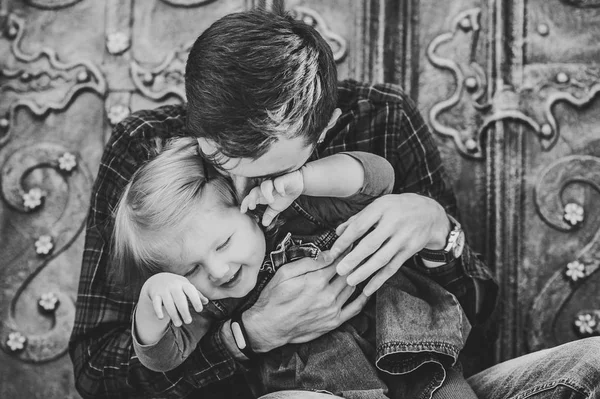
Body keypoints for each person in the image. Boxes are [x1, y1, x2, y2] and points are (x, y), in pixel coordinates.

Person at [68, 7, 600, 399]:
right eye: (223, 162)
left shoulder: (383, 121)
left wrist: (439, 231)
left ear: (325, 128)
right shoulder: (151, 152)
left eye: (272, 171)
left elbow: (480, 322)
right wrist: (245, 336)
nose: (251, 194)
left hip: (416, 371)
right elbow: (97, 372)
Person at [111, 136, 475, 398]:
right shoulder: (206, 304)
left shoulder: (295, 214)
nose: (219, 270)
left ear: (245, 205)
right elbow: (162, 357)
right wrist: (152, 298)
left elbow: (378, 179)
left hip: (409, 345)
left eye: (223, 243)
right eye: (190, 271)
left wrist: (303, 180)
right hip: (321, 388)